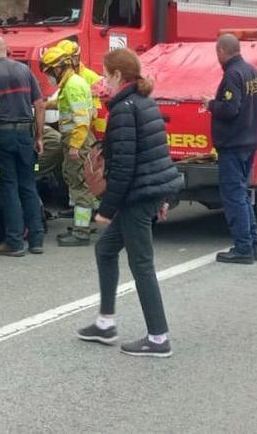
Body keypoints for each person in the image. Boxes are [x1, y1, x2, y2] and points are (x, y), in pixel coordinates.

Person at [76, 48, 183, 358]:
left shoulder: (123, 110)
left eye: (106, 75)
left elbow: (123, 167)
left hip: (136, 197)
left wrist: (106, 210)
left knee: (142, 265)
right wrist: (162, 197)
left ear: (118, 76)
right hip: (146, 192)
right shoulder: (145, 101)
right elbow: (157, 153)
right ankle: (105, 322)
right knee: (105, 249)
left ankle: (159, 338)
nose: (104, 81)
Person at [0, 36, 46, 256]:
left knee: (8, 187)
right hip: (25, 134)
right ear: (7, 50)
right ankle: (37, 240)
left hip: (0, 135)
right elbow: (39, 104)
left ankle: (15, 242)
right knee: (28, 185)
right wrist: (39, 136)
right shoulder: (24, 71)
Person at [208, 33, 257, 265]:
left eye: (217, 52)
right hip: (249, 142)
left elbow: (231, 108)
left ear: (222, 51)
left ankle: (243, 248)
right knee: (242, 194)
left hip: (234, 144)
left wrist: (211, 105)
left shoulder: (232, 74)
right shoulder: (252, 71)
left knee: (234, 197)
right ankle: (252, 244)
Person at [41, 46, 98, 247]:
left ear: (58, 68)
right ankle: (81, 225)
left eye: (49, 71)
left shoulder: (73, 85)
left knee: (79, 184)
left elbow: (81, 119)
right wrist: (43, 104)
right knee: (78, 181)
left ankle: (81, 231)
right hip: (77, 140)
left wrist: (75, 146)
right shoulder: (71, 83)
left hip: (77, 141)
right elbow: (65, 105)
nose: (49, 76)